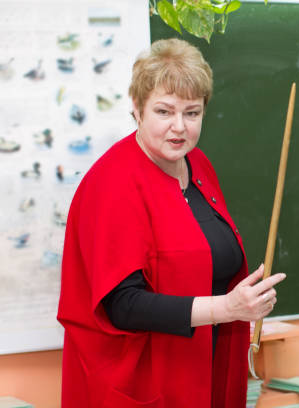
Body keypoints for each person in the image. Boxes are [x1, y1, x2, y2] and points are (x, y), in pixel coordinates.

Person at [57, 38, 286, 408]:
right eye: (164, 111)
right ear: (136, 107)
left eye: (192, 113)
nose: (179, 127)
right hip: (142, 384)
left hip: (204, 371)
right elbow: (124, 305)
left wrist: (243, 303)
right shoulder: (113, 182)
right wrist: (227, 308)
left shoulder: (201, 167)